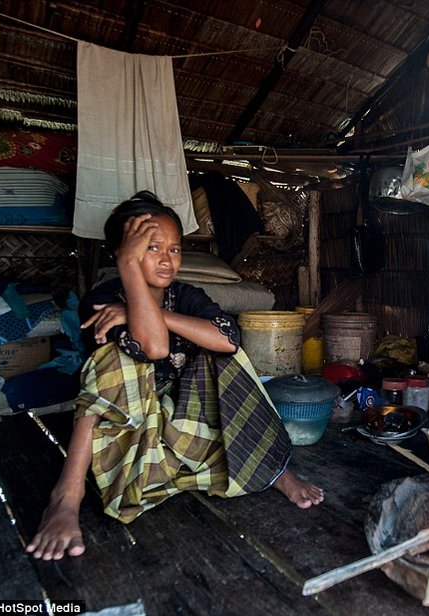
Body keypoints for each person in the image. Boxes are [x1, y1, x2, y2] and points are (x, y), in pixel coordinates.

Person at [26, 191, 323, 560]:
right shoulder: (101, 303)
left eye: (174, 249)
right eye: (152, 248)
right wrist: (129, 269)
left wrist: (160, 315)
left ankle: (271, 469)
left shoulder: (184, 295)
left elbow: (228, 339)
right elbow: (153, 349)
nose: (167, 259)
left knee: (223, 356)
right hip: (132, 442)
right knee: (112, 360)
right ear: (121, 252)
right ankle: (65, 499)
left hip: (181, 433)